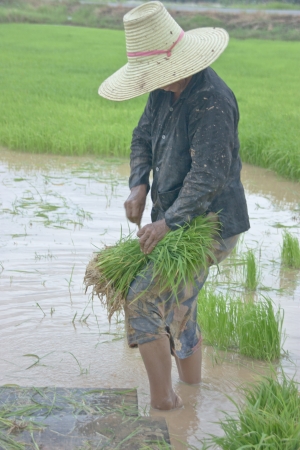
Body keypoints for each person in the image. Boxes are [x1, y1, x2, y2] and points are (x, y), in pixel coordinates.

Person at [98, 1, 250, 410]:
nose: (158, 82)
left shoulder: (211, 100)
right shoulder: (163, 92)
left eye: (161, 74)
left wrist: (168, 224)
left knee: (145, 300)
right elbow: (141, 138)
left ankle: (165, 408)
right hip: (176, 219)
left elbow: (209, 174)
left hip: (210, 223)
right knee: (180, 305)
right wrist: (138, 186)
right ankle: (194, 394)